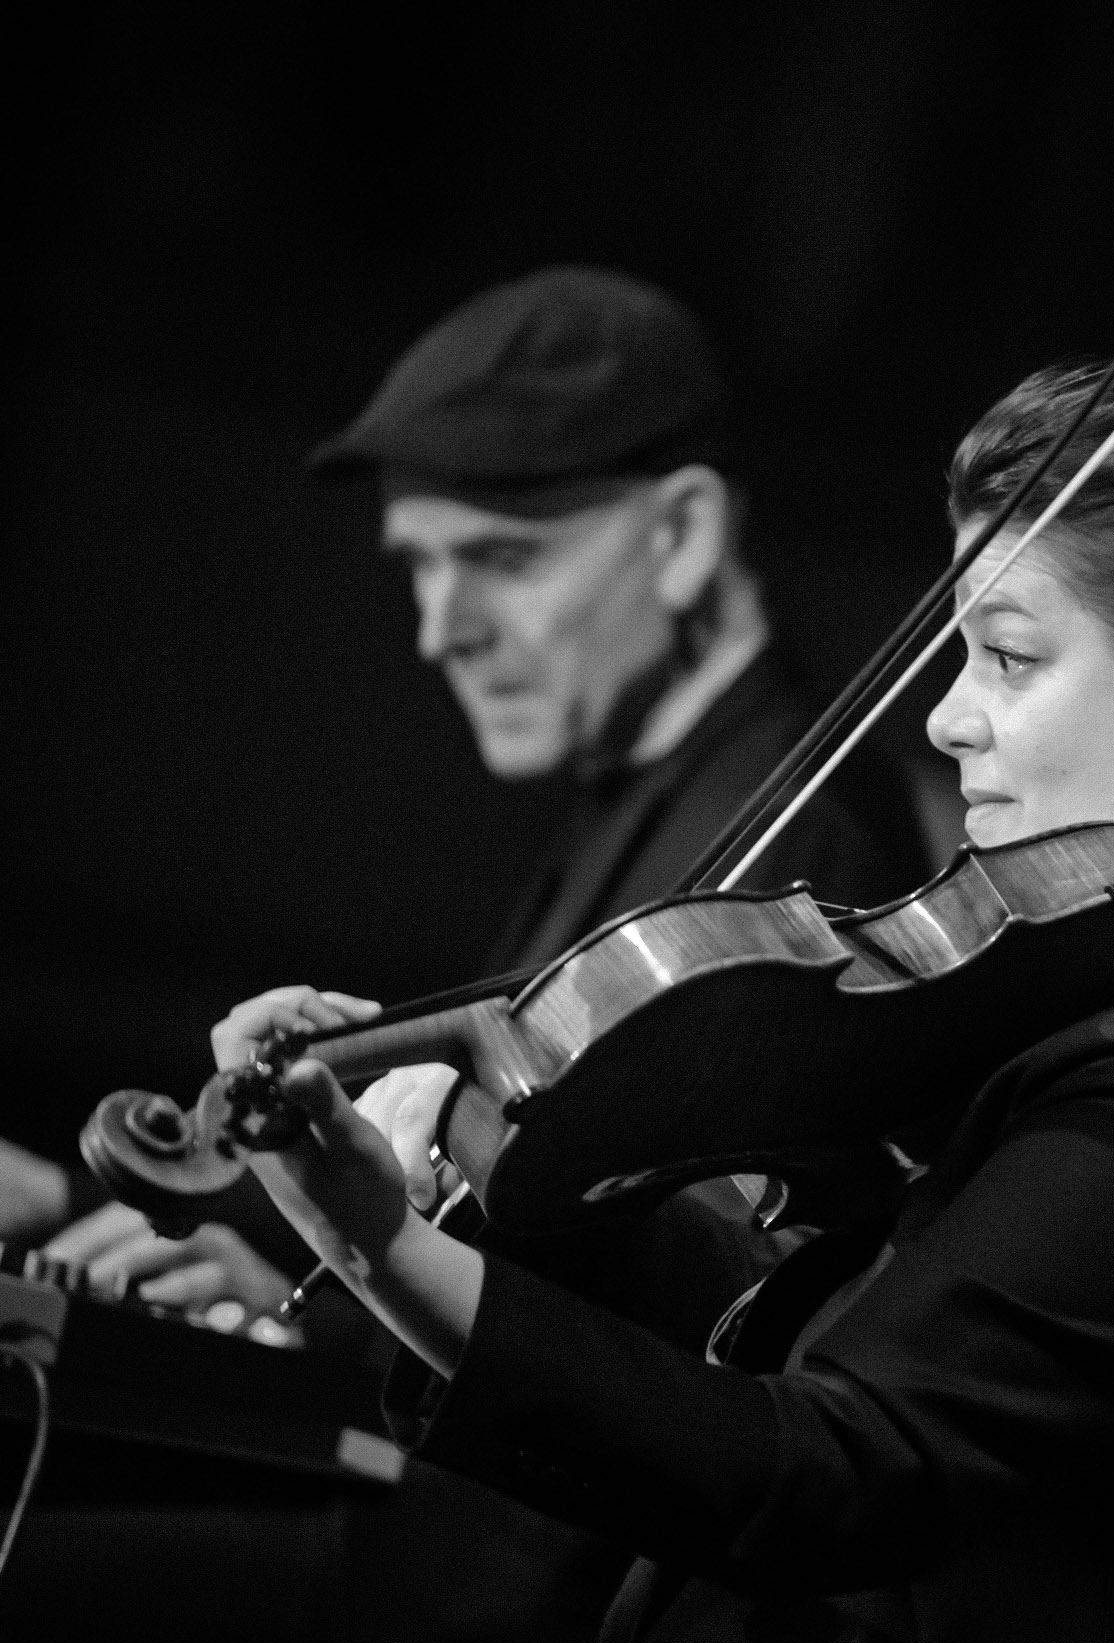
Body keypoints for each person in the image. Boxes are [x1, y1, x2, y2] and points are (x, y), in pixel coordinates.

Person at [185, 345, 1114, 1643]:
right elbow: (796, 1332)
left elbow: (826, 1469)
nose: (944, 712)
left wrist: (379, 1244)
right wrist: (476, 1197)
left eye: (1008, 657)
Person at [4, 265, 929, 1316]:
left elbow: (679, 1333)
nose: (441, 633)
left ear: (682, 538)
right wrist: (64, 1198)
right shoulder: (654, 793)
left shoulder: (794, 859)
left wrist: (331, 1335)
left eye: (500, 560)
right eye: (422, 569)